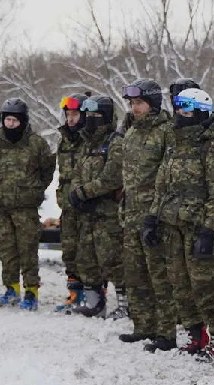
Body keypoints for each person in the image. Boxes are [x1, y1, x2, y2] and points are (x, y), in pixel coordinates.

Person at [144, 87, 214, 358]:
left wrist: (208, 230)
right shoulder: (174, 143)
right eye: (178, 108)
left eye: (185, 109)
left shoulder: (211, 147)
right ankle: (196, 335)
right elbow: (161, 185)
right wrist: (152, 216)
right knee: (179, 284)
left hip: (197, 227)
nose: (179, 114)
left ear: (199, 112)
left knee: (203, 285)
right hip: (172, 224)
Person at [116, 79, 176, 342]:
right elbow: (127, 176)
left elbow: (171, 177)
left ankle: (166, 331)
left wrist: (158, 212)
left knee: (159, 276)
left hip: (156, 216)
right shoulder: (131, 132)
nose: (134, 108)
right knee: (135, 274)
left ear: (152, 103)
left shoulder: (167, 132)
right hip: (131, 215)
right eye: (131, 103)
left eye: (139, 103)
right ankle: (143, 326)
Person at [0, 98, 55, 309]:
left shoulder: (37, 143)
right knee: (6, 250)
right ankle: (11, 288)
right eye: (8, 120)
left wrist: (33, 190)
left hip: (26, 208)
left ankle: (31, 292)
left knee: (28, 251)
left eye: (15, 120)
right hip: (2, 208)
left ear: (23, 121)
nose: (11, 124)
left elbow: (47, 172)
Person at [66, 95, 125, 317]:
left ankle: (124, 304)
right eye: (88, 115)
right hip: (87, 213)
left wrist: (84, 192)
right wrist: (76, 193)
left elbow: (112, 178)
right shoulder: (86, 143)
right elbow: (77, 173)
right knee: (86, 258)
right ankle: (94, 303)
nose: (91, 120)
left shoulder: (115, 143)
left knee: (113, 260)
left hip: (108, 213)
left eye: (96, 116)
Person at [54, 92, 89, 312]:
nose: (70, 119)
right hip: (68, 204)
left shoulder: (93, 140)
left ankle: (95, 294)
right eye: (68, 114)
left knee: (89, 251)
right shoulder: (64, 140)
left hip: (88, 203)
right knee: (69, 250)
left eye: (75, 114)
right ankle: (75, 293)